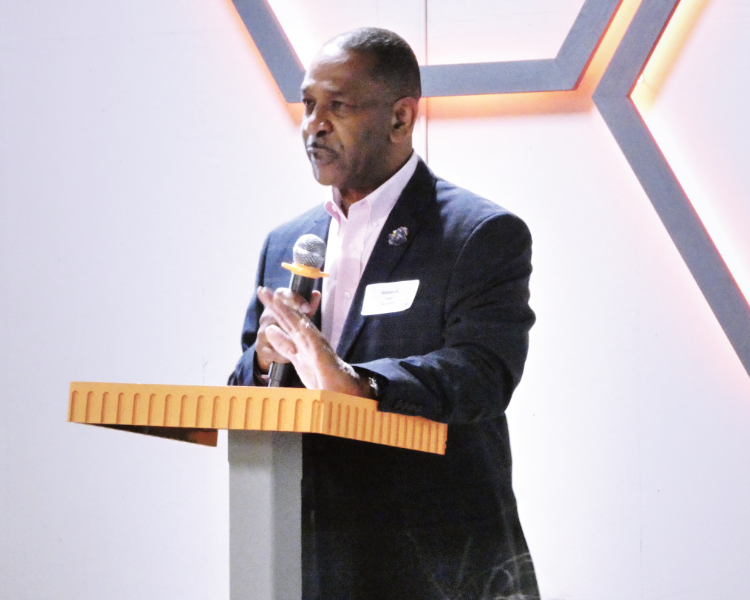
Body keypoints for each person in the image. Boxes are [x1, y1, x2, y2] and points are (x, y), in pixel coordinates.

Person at [229, 27, 539, 600]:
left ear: (401, 117)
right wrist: (265, 360)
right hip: (311, 560)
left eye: (339, 106)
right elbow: (244, 387)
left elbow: (482, 374)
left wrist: (360, 384)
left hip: (438, 565)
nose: (315, 125)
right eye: (308, 105)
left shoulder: (477, 234)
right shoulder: (287, 243)